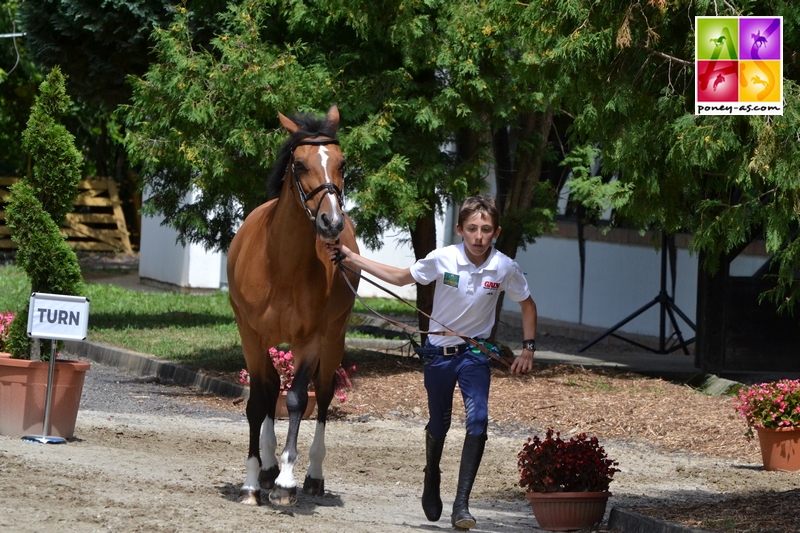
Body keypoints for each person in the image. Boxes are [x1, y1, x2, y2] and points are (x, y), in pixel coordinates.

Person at [325, 195, 537, 530]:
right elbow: (398, 277)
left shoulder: (504, 267)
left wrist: (528, 350)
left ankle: (462, 505)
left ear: (495, 232)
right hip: (439, 354)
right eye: (472, 229)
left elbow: (527, 304)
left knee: (478, 420)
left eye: (485, 229)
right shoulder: (443, 259)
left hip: (475, 355)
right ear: (460, 230)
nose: (479, 236)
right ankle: (431, 473)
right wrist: (352, 257)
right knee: (439, 424)